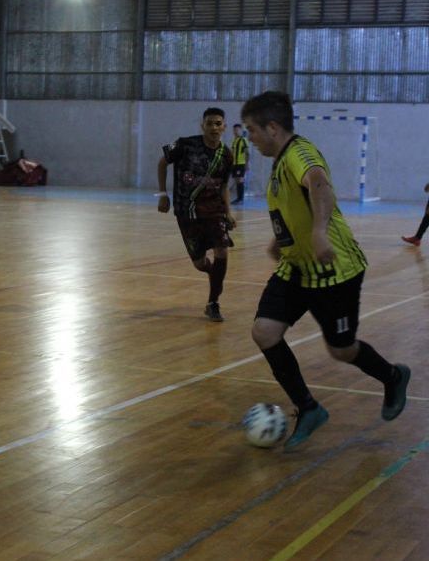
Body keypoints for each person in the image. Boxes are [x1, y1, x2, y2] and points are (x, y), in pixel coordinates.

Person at [241, 91, 410, 449]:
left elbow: (319, 184)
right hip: (297, 267)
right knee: (265, 332)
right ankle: (309, 408)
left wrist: (319, 231)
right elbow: (291, 204)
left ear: (272, 128)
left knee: (341, 350)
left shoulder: (301, 153)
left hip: (335, 270)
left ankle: (393, 376)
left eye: (252, 130)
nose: (249, 138)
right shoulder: (279, 159)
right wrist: (280, 240)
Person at [157, 107, 235, 321]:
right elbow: (162, 162)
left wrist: (228, 212)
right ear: (203, 126)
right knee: (200, 263)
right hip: (187, 213)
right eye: (209, 123)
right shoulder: (184, 145)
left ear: (224, 127)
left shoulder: (227, 155)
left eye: (218, 123)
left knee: (222, 251)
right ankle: (213, 273)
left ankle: (213, 303)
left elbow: (224, 186)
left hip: (214, 212)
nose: (214, 127)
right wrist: (163, 194)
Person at [230, 123, 249, 205]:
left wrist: (247, 164)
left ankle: (240, 199)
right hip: (235, 163)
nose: (236, 131)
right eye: (234, 130)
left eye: (237, 130)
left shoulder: (243, 140)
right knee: (237, 180)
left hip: (241, 163)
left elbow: (247, 153)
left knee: (240, 179)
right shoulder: (234, 140)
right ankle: (238, 198)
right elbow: (232, 152)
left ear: (240, 130)